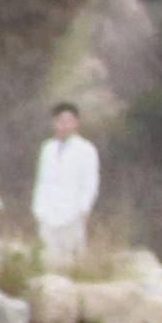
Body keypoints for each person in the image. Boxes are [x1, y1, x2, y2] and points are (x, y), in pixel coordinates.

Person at [33, 102, 103, 266]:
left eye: (68, 121)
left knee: (72, 258)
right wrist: (38, 207)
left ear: (76, 122)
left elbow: (90, 182)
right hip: (47, 211)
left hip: (72, 212)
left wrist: (83, 208)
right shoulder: (47, 148)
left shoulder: (86, 149)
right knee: (48, 257)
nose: (63, 125)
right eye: (60, 121)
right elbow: (42, 180)